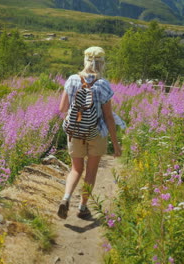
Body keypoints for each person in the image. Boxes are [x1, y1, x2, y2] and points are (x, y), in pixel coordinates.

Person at [57, 46, 123, 219]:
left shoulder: (72, 80)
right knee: (91, 171)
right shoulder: (103, 85)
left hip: (75, 132)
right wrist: (116, 144)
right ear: (102, 64)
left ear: (85, 61)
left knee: (76, 169)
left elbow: (62, 108)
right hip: (96, 133)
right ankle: (82, 207)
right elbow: (108, 117)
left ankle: (66, 198)